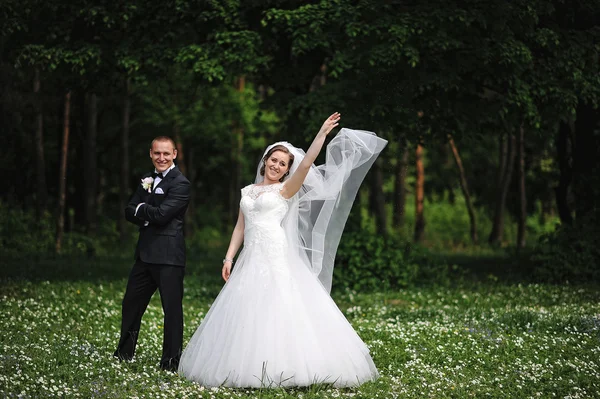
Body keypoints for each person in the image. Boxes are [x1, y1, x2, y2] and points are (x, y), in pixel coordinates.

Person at [178, 113, 387, 387]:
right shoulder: (247, 191)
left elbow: (308, 163)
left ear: (288, 169)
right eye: (273, 160)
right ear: (265, 161)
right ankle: (249, 365)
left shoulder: (285, 190)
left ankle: (290, 366)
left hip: (275, 253)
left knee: (279, 303)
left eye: (283, 163)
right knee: (247, 307)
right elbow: (240, 227)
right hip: (250, 256)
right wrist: (229, 256)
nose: (276, 166)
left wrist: (321, 134)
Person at [114, 136, 191, 372]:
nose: (161, 158)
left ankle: (170, 362)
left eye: (166, 154)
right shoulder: (146, 180)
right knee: (131, 304)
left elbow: (161, 215)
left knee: (172, 311)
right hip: (144, 254)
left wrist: (142, 210)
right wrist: (145, 211)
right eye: (157, 153)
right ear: (150, 153)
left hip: (169, 256)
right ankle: (124, 354)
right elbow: (128, 210)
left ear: (175, 154)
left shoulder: (181, 183)